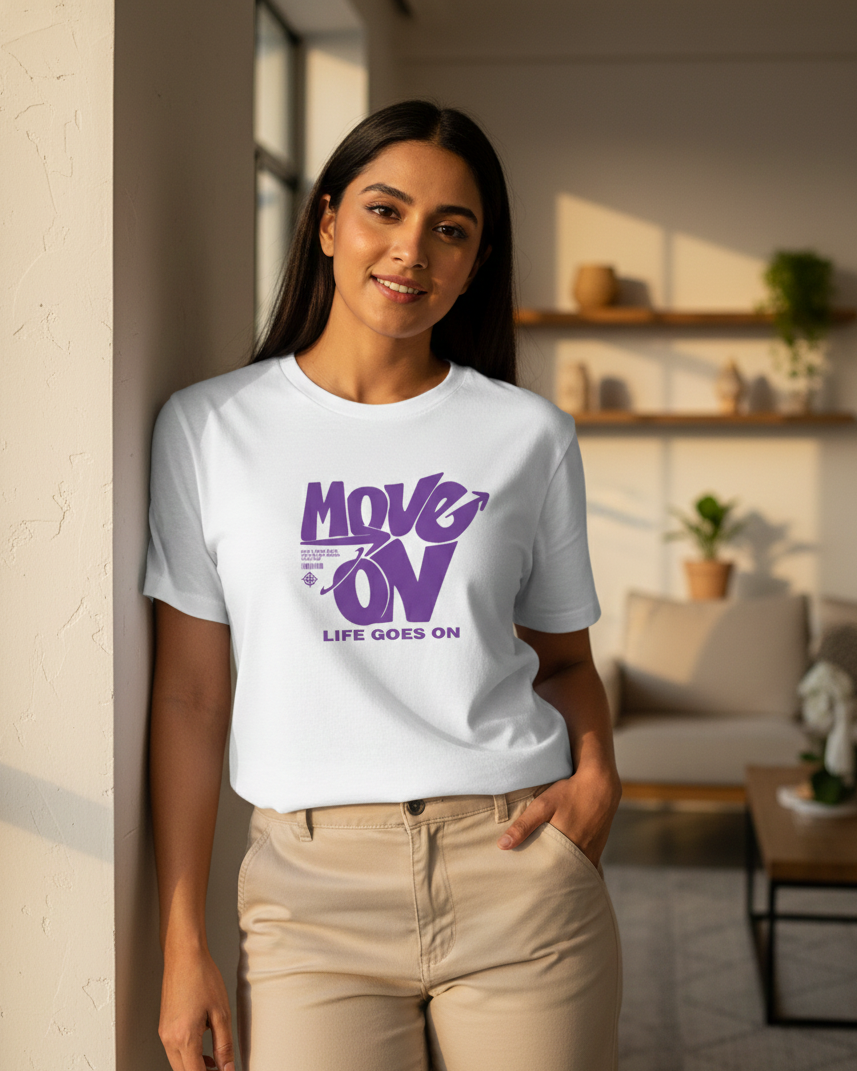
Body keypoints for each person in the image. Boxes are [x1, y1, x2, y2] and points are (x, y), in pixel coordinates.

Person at [146, 99, 622, 1071]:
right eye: (384, 210)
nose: (412, 250)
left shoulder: (527, 435)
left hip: (516, 870)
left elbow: (565, 664)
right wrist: (181, 940)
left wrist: (597, 778)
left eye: (451, 229)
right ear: (327, 222)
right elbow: (190, 696)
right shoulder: (208, 429)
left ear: (475, 262)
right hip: (308, 897)